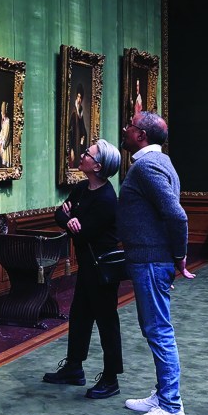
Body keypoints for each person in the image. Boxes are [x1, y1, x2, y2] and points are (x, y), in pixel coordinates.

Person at [118, 111, 194, 415]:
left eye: (130, 126)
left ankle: (171, 408)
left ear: (141, 136)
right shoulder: (161, 162)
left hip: (151, 259)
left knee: (158, 331)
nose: (125, 129)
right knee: (156, 329)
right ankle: (163, 394)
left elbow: (177, 216)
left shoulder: (147, 166)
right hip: (152, 258)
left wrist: (180, 257)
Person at [43, 138, 123, 399]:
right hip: (87, 265)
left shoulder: (107, 198)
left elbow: (84, 233)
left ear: (98, 166)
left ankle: (111, 379)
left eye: (87, 154)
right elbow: (59, 214)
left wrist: (72, 219)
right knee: (79, 316)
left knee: (106, 321)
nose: (82, 155)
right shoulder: (80, 189)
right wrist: (69, 218)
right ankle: (74, 368)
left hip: (102, 268)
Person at [68, 85, 87, 165]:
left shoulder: (80, 112)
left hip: (79, 146)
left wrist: (83, 137)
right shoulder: (74, 113)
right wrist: (71, 149)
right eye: (78, 97)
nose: (79, 100)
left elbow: (83, 130)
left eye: (80, 97)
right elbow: (70, 132)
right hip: (74, 146)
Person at [0, 100, 12, 164]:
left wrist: (2, 144)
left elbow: (6, 136)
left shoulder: (7, 121)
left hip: (6, 146)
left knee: (6, 162)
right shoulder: (4, 121)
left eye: (2, 112)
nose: (1, 114)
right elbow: (2, 132)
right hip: (4, 144)